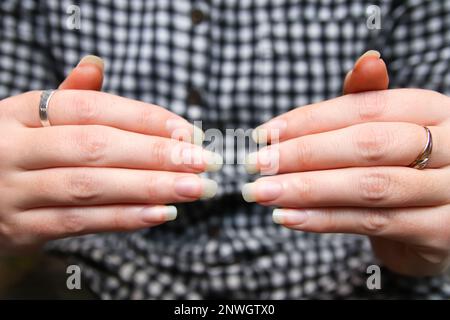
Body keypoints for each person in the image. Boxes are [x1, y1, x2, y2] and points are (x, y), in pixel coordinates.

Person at [0, 0, 449, 299]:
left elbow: (435, 144)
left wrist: (426, 212)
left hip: (354, 278)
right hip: (90, 279)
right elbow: (17, 141)